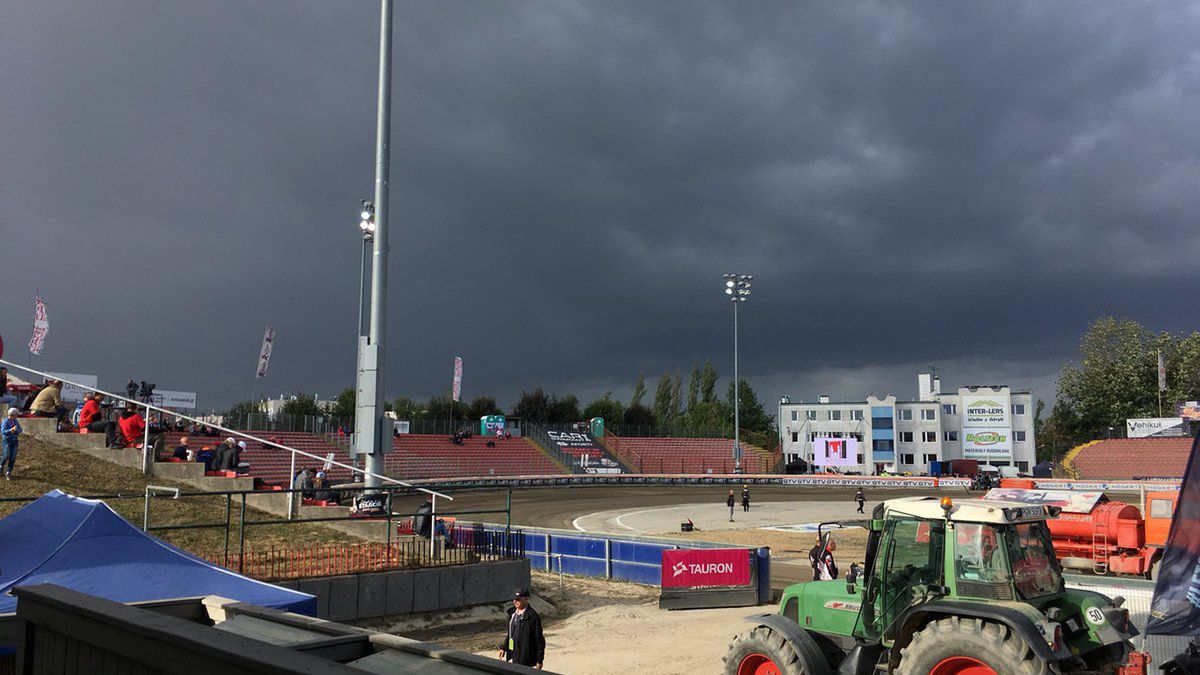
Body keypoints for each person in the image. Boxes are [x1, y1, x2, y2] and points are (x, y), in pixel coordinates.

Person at [497, 587, 545, 670]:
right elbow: (510, 633)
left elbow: (539, 640)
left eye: (518, 599)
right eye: (514, 599)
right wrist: (504, 648)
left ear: (526, 599)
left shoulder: (533, 616)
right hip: (513, 655)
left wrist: (539, 660)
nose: (515, 601)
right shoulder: (512, 613)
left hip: (525, 658)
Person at [2, 408, 23, 480]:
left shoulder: (16, 422)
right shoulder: (5, 421)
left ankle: (8, 472)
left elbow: (20, 430)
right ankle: (1, 466)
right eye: (16, 414)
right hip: (7, 441)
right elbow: (2, 431)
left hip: (14, 441)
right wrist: (10, 430)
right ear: (12, 415)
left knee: (13, 457)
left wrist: (16, 430)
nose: (17, 416)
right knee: (6, 456)